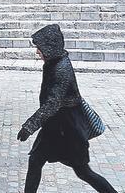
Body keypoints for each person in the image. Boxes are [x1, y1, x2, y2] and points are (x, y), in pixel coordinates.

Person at [16, 24, 118, 193]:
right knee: (35, 160)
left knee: (84, 172)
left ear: (49, 48)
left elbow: (52, 103)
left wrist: (29, 126)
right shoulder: (53, 63)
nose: (37, 52)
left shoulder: (61, 69)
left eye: (39, 48)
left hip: (68, 129)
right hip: (55, 126)